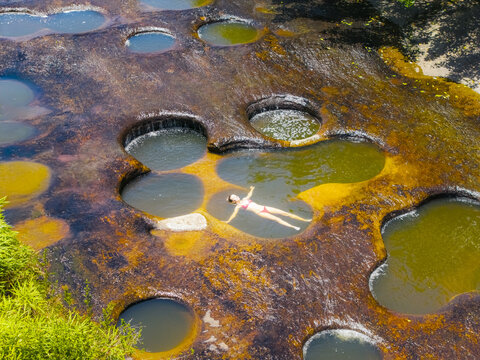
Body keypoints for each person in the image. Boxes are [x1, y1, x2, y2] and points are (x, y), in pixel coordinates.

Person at [225, 186, 311, 231]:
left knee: (285, 213)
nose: (236, 197)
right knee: (278, 219)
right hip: (260, 212)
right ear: (233, 201)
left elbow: (249, 195)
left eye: (235, 195)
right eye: (234, 198)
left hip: (264, 207)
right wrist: (228, 221)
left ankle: (304, 220)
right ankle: (293, 227)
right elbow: (234, 214)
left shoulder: (244, 199)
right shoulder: (238, 206)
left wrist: (251, 189)